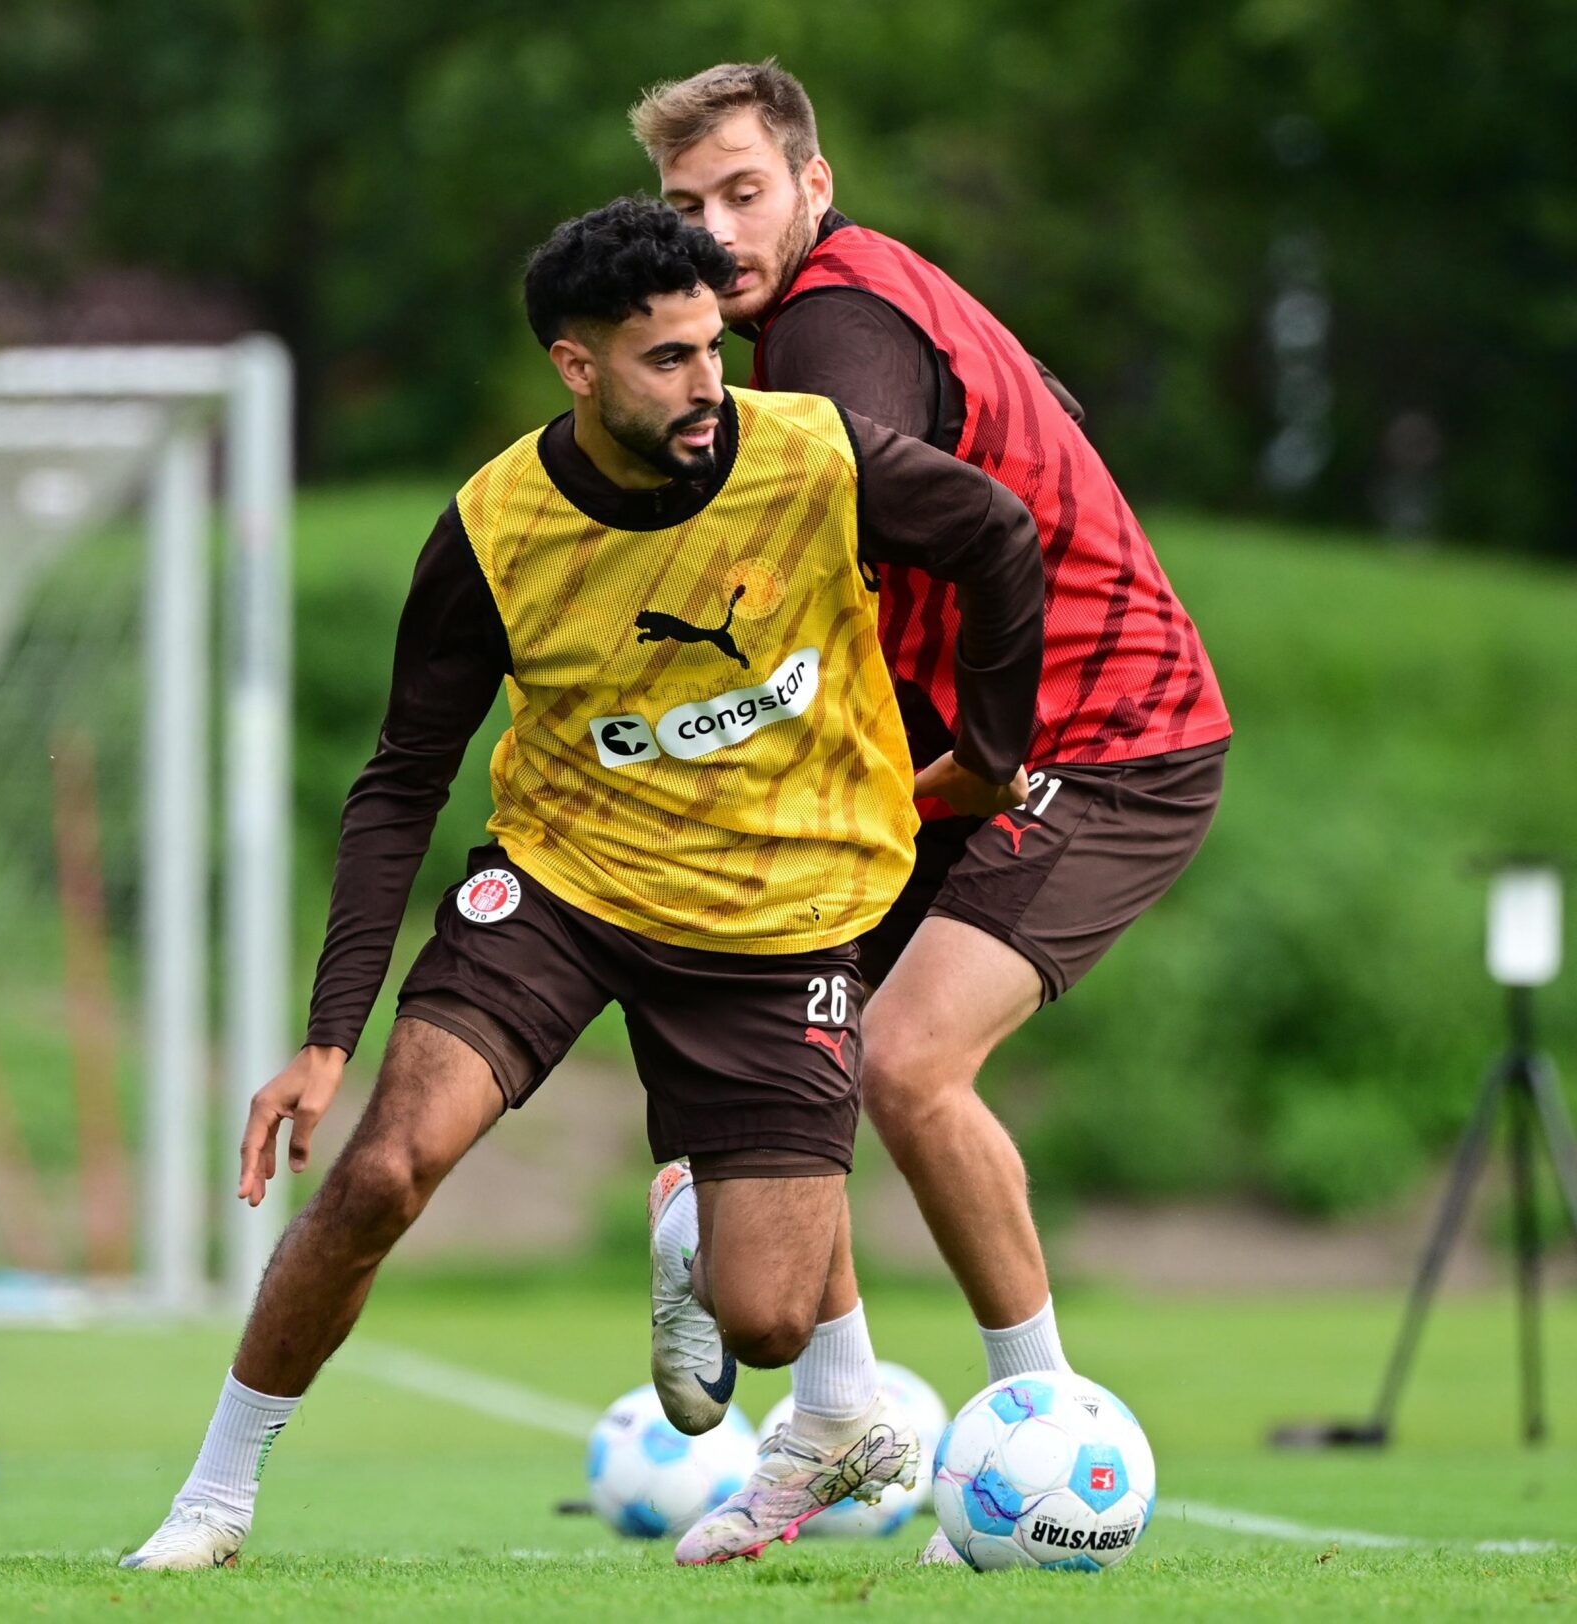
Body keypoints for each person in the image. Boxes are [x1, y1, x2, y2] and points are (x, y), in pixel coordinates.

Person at [120, 196, 1043, 1571]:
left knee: (769, 1328)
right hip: (564, 889)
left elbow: (1001, 537)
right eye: (666, 359)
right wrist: (326, 1040)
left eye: (715, 349)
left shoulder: (817, 460)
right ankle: (213, 1500)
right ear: (577, 365)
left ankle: (730, 1259)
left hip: (782, 920)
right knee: (380, 1171)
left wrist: (986, 755)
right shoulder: (495, 530)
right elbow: (400, 781)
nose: (707, 389)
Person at [628, 60, 1233, 1563]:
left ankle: (1047, 1433)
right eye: (683, 208)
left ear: (815, 188)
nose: (713, 231)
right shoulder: (842, 313)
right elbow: (1029, 425)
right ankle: (835, 1410)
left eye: (743, 193)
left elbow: (874, 507)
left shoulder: (835, 323)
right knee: (787, 1038)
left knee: (901, 1060)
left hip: (1103, 739)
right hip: (958, 740)